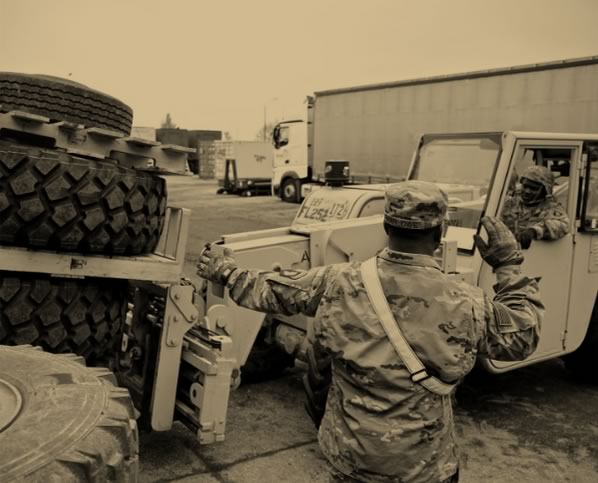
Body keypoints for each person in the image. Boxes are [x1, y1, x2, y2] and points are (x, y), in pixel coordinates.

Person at [197, 180, 544, 483]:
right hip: (422, 467)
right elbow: (523, 336)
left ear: (386, 225)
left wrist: (224, 269)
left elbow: (267, 290)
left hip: (351, 460)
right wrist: (508, 265)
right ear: (440, 234)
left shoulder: (336, 282)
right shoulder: (466, 303)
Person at [501, 165, 569, 249]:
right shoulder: (509, 204)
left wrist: (534, 231)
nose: (527, 191)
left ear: (545, 190)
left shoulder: (551, 208)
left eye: (533, 188)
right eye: (525, 186)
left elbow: (562, 225)